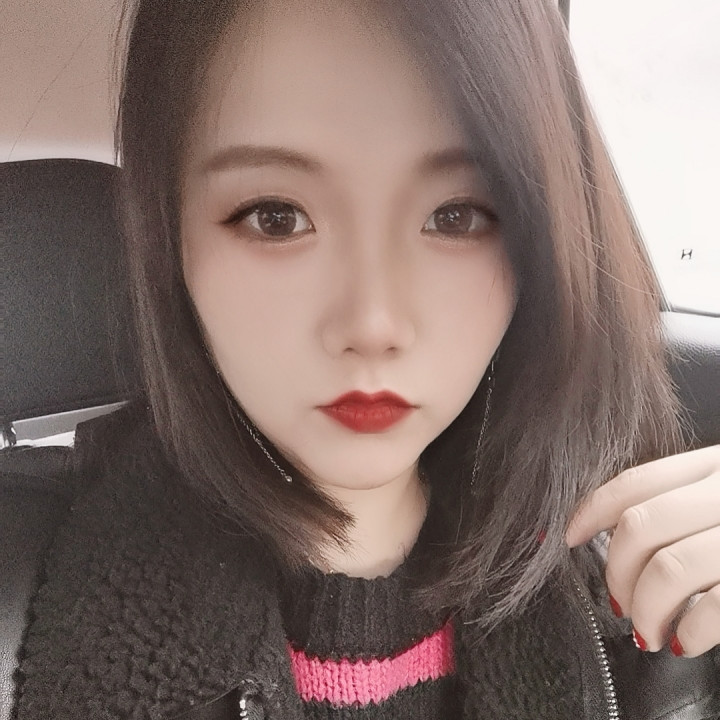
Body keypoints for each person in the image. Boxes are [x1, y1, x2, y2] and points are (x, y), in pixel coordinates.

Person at [12, 0, 720, 718]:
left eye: (456, 216)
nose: (373, 324)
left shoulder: (638, 584)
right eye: (276, 217)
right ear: (170, 242)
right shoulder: (25, 581)